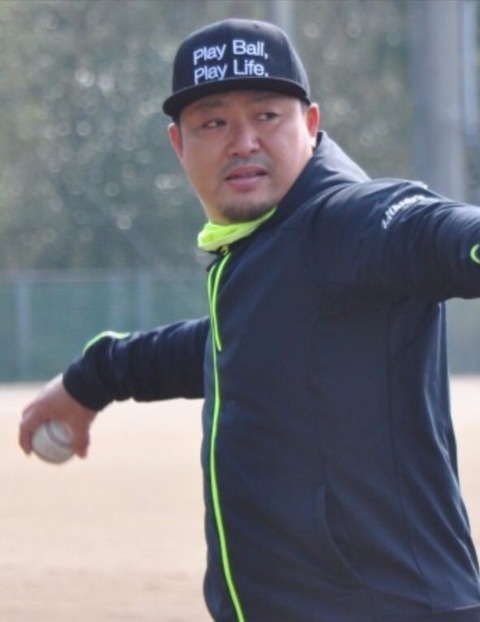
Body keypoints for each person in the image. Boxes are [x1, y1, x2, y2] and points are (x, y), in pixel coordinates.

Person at [19, 17, 480, 622]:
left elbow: (439, 234)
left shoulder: (351, 220)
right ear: (179, 144)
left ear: (309, 125)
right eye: (213, 123)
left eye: (267, 115)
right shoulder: (264, 252)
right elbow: (231, 345)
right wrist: (94, 377)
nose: (243, 142)